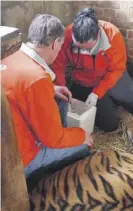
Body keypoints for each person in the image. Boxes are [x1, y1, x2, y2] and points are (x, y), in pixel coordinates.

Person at [1, 14, 93, 189]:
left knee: (61, 100)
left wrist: (52, 89)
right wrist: (81, 135)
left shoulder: (10, 57)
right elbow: (52, 139)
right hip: (20, 160)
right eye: (59, 47)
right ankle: (45, 177)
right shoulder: (37, 78)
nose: (58, 52)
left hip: (8, 141)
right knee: (84, 148)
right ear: (54, 43)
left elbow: (19, 89)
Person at [50, 8, 133, 132]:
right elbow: (58, 66)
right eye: (79, 48)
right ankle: (112, 104)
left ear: (98, 35)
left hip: (113, 78)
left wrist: (97, 92)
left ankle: (118, 95)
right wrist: (62, 87)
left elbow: (117, 69)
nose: (84, 52)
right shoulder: (66, 35)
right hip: (85, 82)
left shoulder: (112, 34)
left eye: (88, 49)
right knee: (109, 125)